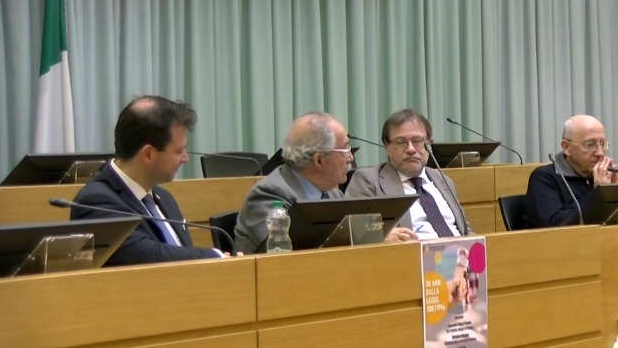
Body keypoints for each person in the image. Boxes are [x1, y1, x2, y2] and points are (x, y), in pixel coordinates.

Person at [71, 95, 225, 265]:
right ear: (148, 154)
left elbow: (181, 255)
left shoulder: (164, 198)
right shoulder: (95, 202)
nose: (185, 159)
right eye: (179, 151)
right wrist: (217, 257)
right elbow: (145, 255)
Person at [345, 108, 472, 241]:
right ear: (387, 146)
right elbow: (354, 232)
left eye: (417, 141)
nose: (411, 149)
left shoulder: (443, 180)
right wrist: (382, 237)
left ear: (429, 143)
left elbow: (465, 231)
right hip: (410, 252)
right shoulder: (368, 181)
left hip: (460, 252)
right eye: (401, 142)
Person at [234, 112, 352, 254]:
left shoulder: (334, 194)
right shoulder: (269, 195)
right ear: (319, 160)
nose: (350, 157)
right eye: (345, 150)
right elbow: (281, 255)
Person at [525, 114, 618, 228]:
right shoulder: (544, 178)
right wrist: (599, 195)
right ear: (567, 147)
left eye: (602, 144)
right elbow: (554, 226)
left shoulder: (601, 177)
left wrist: (616, 195)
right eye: (589, 144)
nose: (600, 153)